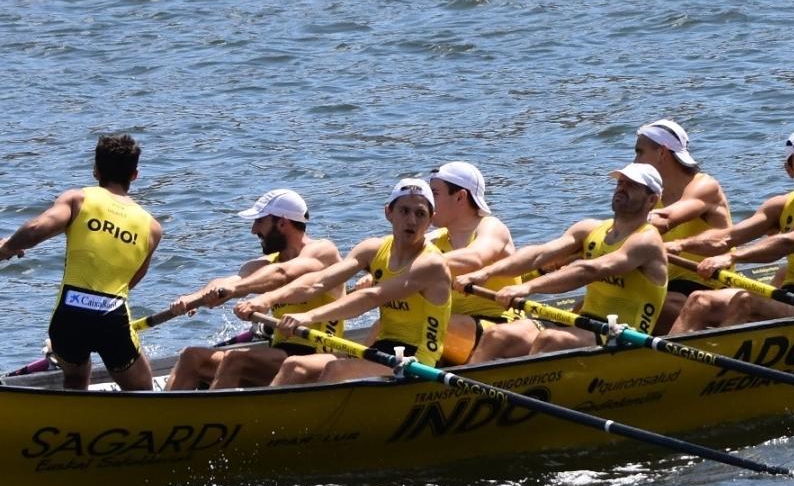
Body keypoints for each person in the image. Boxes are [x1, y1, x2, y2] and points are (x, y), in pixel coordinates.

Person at [237, 179, 454, 385]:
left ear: (431, 219)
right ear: (388, 212)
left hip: (421, 359)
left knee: (336, 369)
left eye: (420, 214)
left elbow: (371, 297)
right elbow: (318, 282)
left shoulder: (431, 264)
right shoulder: (372, 249)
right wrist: (266, 299)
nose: (412, 221)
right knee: (298, 365)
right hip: (385, 347)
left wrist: (308, 316)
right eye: (404, 211)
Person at [0, 133, 162, 391]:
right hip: (112, 318)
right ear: (134, 175)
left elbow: (37, 229)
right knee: (143, 390)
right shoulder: (152, 228)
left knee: (76, 376)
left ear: (96, 170)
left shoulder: (78, 199)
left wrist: (8, 247)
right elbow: (132, 279)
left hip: (68, 317)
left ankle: (72, 408)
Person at [668, 129, 794, 332]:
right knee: (699, 300)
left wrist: (732, 258)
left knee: (745, 300)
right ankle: (671, 353)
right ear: (789, 169)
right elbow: (728, 238)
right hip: (789, 297)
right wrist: (677, 245)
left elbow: (788, 242)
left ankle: (715, 349)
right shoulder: (781, 206)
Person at [469, 164, 670, 358]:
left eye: (632, 185)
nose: (622, 188)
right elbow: (539, 254)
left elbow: (589, 271)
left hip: (625, 333)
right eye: (620, 183)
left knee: (551, 340)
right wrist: (484, 273)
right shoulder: (590, 229)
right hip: (584, 322)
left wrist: (526, 288)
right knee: (497, 335)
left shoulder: (646, 240)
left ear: (652, 200)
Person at [165, 189, 342, 390]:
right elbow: (234, 279)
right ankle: (163, 410)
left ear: (282, 223)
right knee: (191, 357)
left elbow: (283, 273)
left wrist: (235, 289)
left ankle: (216, 409)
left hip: (320, 355)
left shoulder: (323, 251)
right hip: (279, 354)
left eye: (259, 221)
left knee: (236, 360)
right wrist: (194, 298)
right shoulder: (266, 264)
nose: (253, 230)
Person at [632, 120, 732, 334]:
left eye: (639, 152)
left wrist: (621, 231)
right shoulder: (652, 196)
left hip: (708, 289)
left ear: (662, 152)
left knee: (648, 304)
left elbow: (666, 219)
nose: (635, 161)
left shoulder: (704, 187)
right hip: (670, 287)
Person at [426, 162, 520, 363]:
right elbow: (396, 258)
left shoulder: (491, 227)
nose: (427, 202)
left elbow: (475, 258)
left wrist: (416, 266)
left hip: (500, 330)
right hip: (455, 329)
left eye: (434, 194)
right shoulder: (434, 241)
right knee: (386, 324)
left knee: (423, 324)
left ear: (460, 197)